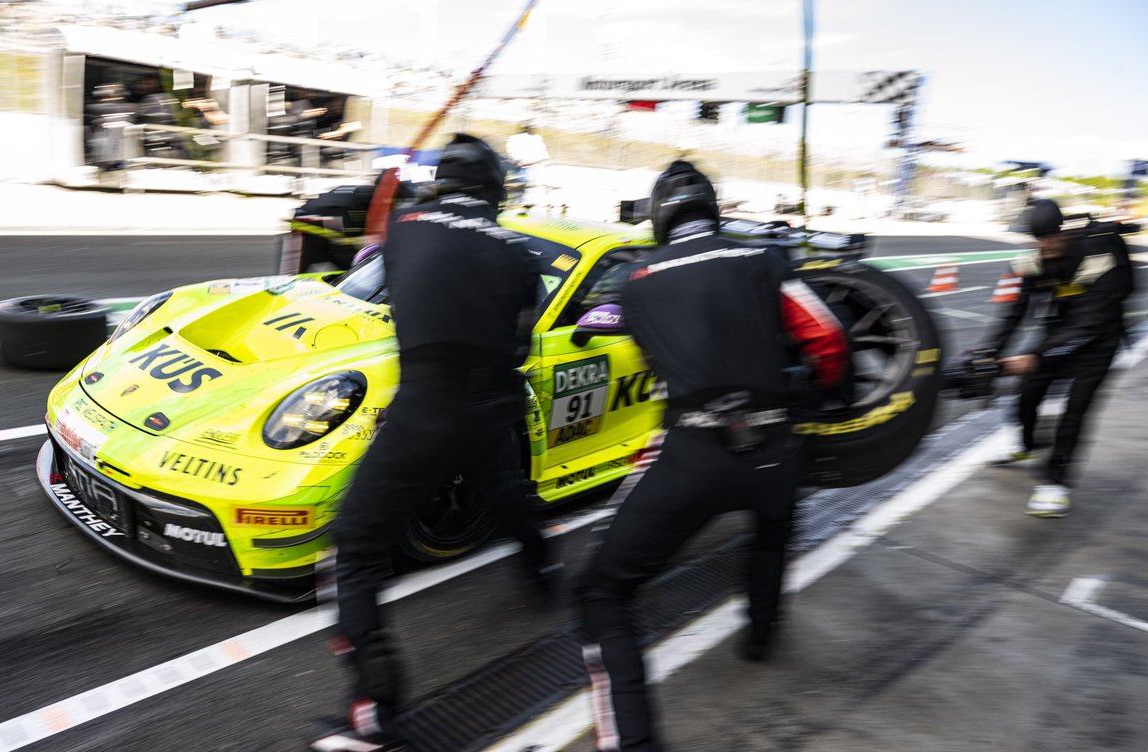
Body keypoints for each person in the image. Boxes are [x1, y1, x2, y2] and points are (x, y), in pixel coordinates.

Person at [576, 160, 848, 752]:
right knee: (771, 538)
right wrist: (816, 391)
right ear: (712, 209)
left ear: (659, 216)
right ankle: (760, 637)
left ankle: (635, 742)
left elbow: (654, 363)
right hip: (776, 447)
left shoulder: (638, 280)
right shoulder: (764, 259)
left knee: (601, 592)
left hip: (694, 455)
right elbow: (827, 338)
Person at [316, 134, 555, 751]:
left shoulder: (404, 226)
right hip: (491, 407)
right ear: (497, 190)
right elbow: (522, 339)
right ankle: (545, 569)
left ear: (444, 180)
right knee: (506, 492)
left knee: (355, 548)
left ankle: (375, 711)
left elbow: (391, 272)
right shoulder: (523, 255)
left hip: (425, 404)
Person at [984, 198, 1135, 517]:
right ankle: (1025, 445)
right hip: (1059, 330)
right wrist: (988, 352)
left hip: (1100, 338)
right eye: (1039, 238)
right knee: (1027, 394)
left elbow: (1091, 321)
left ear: (1063, 232)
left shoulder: (1097, 255)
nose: (1046, 244)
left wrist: (1035, 355)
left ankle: (1055, 484)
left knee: (1075, 409)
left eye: (1051, 236)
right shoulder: (1036, 260)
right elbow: (1015, 313)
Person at [505, 123, 550, 208]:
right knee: (519, 188)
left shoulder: (536, 139)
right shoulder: (516, 138)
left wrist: (525, 163)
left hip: (527, 168)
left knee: (523, 188)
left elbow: (542, 157)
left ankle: (520, 204)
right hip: (521, 168)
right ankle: (517, 204)